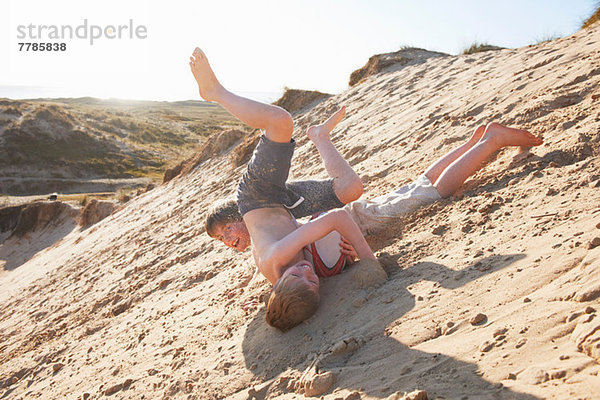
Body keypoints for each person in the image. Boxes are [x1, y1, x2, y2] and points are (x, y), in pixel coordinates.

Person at [192, 47, 544, 331]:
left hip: (258, 196)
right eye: (312, 282)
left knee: (281, 122)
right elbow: (292, 251)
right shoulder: (281, 267)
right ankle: (480, 139)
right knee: (404, 187)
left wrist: (368, 260)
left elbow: (333, 221)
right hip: (281, 205)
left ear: (280, 284)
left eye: (300, 276)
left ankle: (215, 92)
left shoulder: (278, 257)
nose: (308, 274)